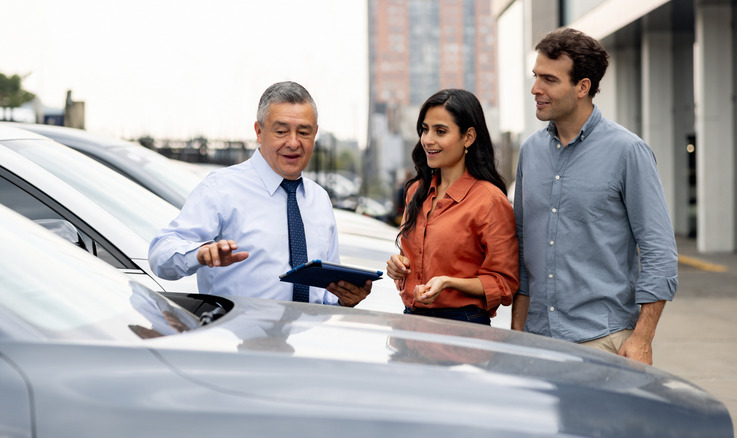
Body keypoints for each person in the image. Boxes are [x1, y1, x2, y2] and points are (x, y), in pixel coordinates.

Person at [511, 27, 678, 364]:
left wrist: (642, 338)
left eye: (549, 79)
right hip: (537, 339)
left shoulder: (628, 152)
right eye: (535, 76)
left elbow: (660, 253)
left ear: (582, 87)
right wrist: (517, 332)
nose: (535, 89)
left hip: (603, 343)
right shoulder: (530, 152)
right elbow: (523, 248)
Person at [148, 81, 371, 307]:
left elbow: (326, 292)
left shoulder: (319, 199)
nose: (293, 143)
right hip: (236, 337)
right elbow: (160, 255)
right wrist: (199, 254)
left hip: (307, 338)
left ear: (315, 134)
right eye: (281, 131)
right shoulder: (221, 189)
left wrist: (344, 299)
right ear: (259, 131)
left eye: (303, 132)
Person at [385, 89, 519, 325]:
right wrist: (399, 269)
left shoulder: (489, 200)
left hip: (463, 326)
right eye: (425, 129)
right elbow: (415, 263)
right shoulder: (416, 192)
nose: (427, 139)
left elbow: (504, 284)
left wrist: (448, 282)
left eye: (441, 131)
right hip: (412, 324)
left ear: (468, 137)